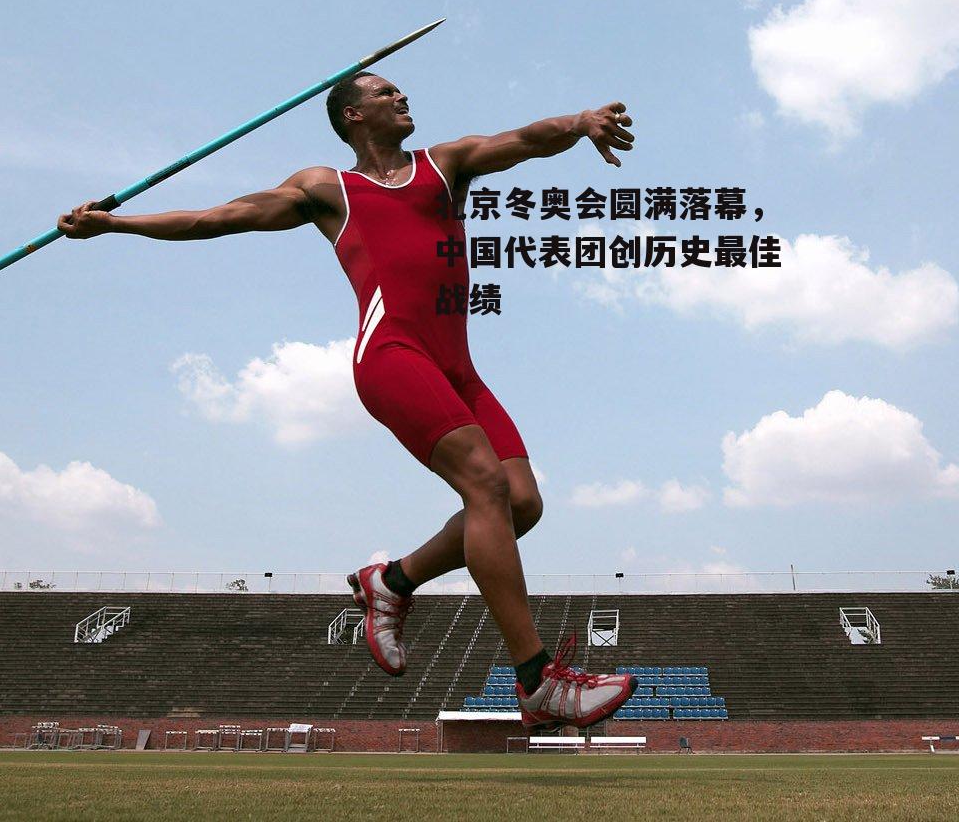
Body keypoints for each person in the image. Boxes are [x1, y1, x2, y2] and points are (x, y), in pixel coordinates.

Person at [57, 72, 638, 729]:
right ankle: (536, 680)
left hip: (459, 370)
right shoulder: (326, 188)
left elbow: (525, 140)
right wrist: (115, 223)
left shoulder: (444, 164)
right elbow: (216, 218)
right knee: (485, 483)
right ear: (353, 115)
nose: (403, 96)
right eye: (385, 92)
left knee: (521, 503)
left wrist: (580, 122)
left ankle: (391, 582)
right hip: (392, 354)